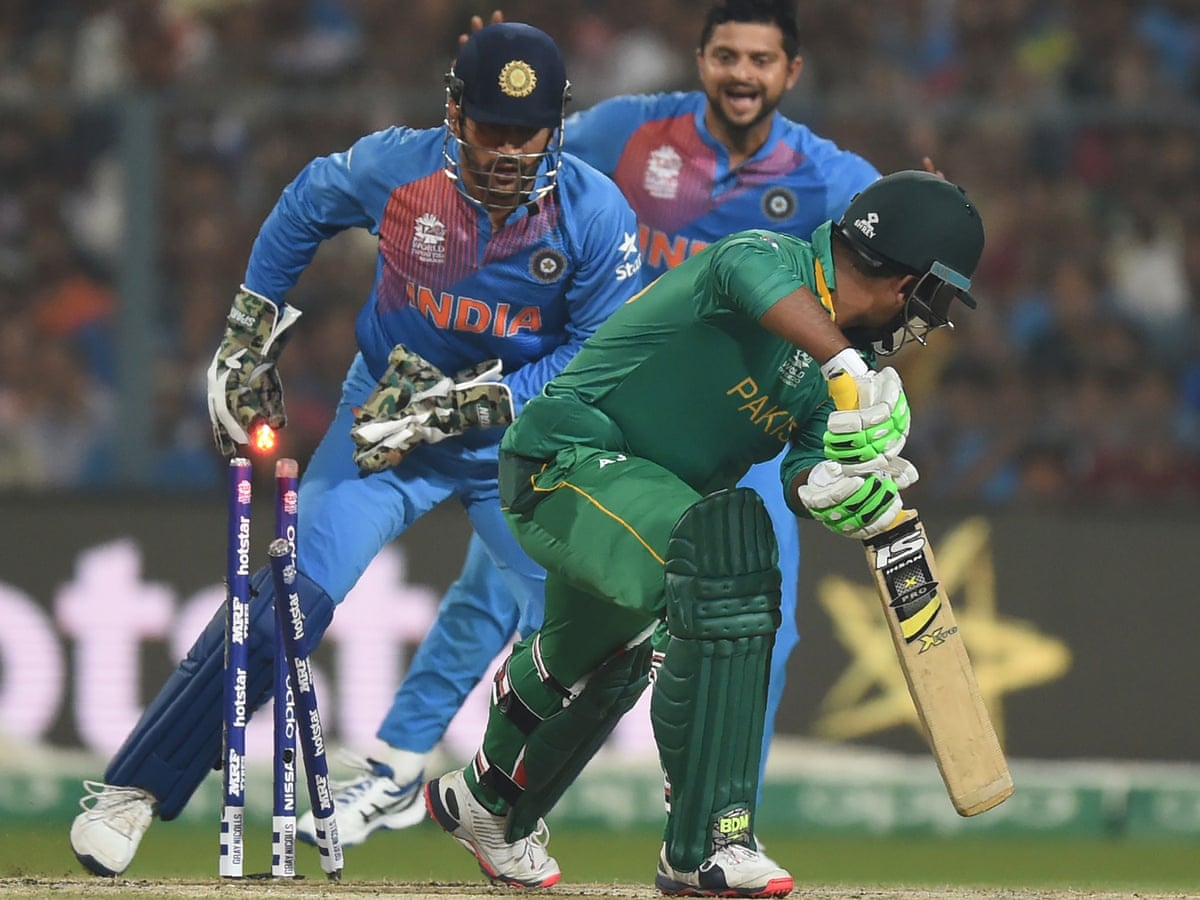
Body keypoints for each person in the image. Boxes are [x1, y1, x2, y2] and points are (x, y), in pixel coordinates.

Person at [67, 21, 643, 877]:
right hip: (386, 426)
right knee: (286, 605)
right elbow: (306, 202)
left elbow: (598, 355)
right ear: (454, 114)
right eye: (490, 127)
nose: (507, 152)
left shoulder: (595, 214)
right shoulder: (399, 169)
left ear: (557, 125)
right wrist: (247, 336)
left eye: (526, 133)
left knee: (600, 649)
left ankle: (500, 815)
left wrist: (464, 405)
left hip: (520, 453)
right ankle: (134, 792)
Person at [319, 0, 885, 848]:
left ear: (790, 72)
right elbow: (513, 149)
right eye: (727, 55)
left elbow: (886, 251)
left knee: (756, 615)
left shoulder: (830, 176)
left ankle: (719, 819)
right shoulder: (630, 132)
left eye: (761, 60)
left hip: (748, 422)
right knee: (494, 587)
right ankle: (396, 767)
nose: (742, 74)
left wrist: (924, 209)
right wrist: (495, 84)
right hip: (625, 398)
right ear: (700, 58)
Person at [422, 169, 986, 894]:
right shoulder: (765, 258)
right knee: (725, 563)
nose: (933, 322)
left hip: (650, 513)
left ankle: (486, 801)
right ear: (911, 281)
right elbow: (740, 276)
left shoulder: (849, 364)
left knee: (602, 661)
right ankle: (709, 841)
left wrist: (835, 489)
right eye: (939, 299)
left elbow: (806, 467)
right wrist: (843, 364)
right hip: (567, 462)